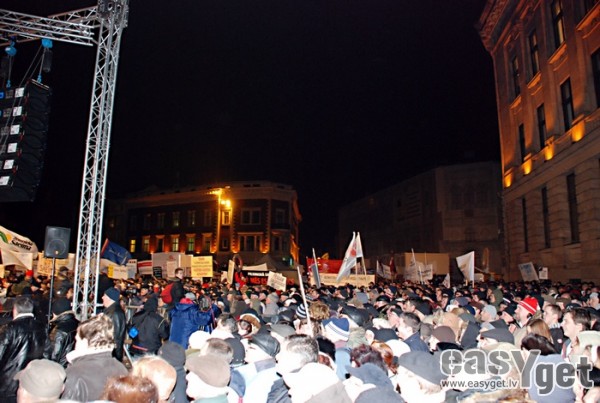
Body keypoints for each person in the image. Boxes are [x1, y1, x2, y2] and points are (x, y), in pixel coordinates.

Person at [61, 314, 128, 401]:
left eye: (77, 340)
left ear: (84, 342)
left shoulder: (74, 373)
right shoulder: (121, 369)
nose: (75, 344)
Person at [0, 296, 47, 403]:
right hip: (32, 379)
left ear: (15, 310)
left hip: (9, 380)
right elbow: (47, 353)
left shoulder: (9, 328)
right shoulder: (42, 327)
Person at [44, 297, 79, 367]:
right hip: (74, 366)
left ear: (54, 312)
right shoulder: (79, 324)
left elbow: (53, 355)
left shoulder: (59, 331)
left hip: (60, 368)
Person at [102, 287, 126, 361]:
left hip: (111, 354)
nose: (102, 297)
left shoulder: (115, 313)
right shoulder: (111, 311)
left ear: (110, 298)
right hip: (109, 352)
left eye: (104, 295)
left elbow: (115, 336)